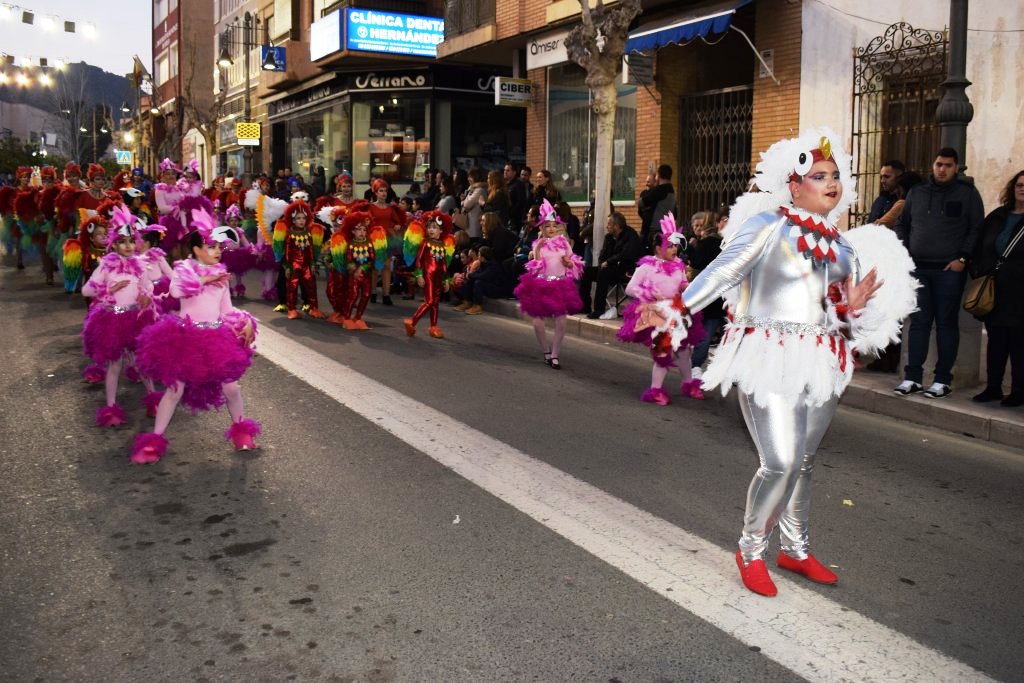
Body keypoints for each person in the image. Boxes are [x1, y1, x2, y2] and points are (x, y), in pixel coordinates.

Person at [643, 127, 916, 597]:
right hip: (768, 354)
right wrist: (679, 307)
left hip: (822, 359)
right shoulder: (768, 224)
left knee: (805, 462)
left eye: (835, 176)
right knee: (781, 461)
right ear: (794, 185)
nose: (831, 183)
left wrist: (852, 310)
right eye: (818, 175)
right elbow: (725, 268)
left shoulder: (843, 246)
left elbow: (838, 317)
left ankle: (795, 547)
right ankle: (751, 550)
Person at [132, 210, 260, 464]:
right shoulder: (183, 270)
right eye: (211, 246)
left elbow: (226, 310)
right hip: (186, 337)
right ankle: (154, 441)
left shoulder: (221, 275)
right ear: (197, 249)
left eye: (219, 247)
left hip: (215, 338)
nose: (217, 251)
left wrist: (244, 321)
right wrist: (207, 278)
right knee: (174, 389)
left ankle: (241, 432)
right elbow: (176, 290)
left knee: (231, 387)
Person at [894, 147, 985, 398]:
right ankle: (913, 377)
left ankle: (942, 380)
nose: (942, 169)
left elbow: (976, 228)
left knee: (946, 324)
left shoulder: (967, 194)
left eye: (947, 165)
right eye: (938, 164)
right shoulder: (917, 192)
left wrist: (963, 258)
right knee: (919, 324)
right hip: (919, 269)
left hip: (949, 271)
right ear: (932, 166)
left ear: (956, 168)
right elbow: (903, 224)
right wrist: (905, 253)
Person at [80, 205, 158, 427]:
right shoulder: (106, 265)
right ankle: (112, 407)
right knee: (115, 365)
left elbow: (148, 287)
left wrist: (145, 295)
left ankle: (153, 398)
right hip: (113, 321)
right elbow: (86, 290)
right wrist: (109, 291)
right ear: (113, 244)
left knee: (141, 362)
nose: (128, 246)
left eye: (131, 241)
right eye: (122, 241)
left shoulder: (140, 266)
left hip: (135, 320)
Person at [618, 215, 705, 404]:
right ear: (658, 248)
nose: (675, 249)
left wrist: (688, 287)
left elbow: (682, 284)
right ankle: (655, 390)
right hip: (655, 314)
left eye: (676, 246)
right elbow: (630, 288)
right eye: (670, 246)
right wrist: (650, 293)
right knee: (663, 350)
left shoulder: (678, 266)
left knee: (682, 351)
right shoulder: (646, 267)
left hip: (676, 312)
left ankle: (688, 383)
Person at [970, 170, 1024, 406]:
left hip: (1020, 293)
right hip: (995, 291)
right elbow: (979, 243)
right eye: (1020, 185)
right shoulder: (998, 216)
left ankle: (1019, 391)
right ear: (1013, 188)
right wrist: (978, 271)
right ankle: (993, 387)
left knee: (1019, 344)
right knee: (996, 341)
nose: (1022, 189)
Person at [513, 199, 584, 369]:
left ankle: (555, 354)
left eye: (554, 225)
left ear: (558, 227)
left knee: (561, 321)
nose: (551, 229)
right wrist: (537, 251)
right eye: (547, 226)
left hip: (560, 285)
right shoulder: (538, 244)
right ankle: (546, 351)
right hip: (542, 285)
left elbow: (573, 262)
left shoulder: (564, 243)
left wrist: (569, 263)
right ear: (541, 228)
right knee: (537, 322)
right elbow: (536, 268)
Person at [579, 212, 643, 319]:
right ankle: (585, 306)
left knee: (603, 273)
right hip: (609, 269)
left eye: (609, 224)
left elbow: (625, 254)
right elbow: (602, 254)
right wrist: (602, 263)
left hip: (625, 271)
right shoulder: (609, 237)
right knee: (587, 271)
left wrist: (608, 262)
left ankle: (599, 310)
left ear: (616, 226)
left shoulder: (630, 235)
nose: (607, 226)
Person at [403, 211, 455, 339]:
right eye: (429, 227)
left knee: (436, 302)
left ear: (441, 231)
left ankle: (433, 326)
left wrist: (446, 280)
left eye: (435, 228)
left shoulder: (442, 246)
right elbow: (419, 261)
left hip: (438, 277)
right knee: (430, 300)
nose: (431, 230)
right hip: (428, 276)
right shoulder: (425, 243)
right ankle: (412, 321)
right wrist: (419, 275)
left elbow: (443, 265)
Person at [332, 209, 387, 330]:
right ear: (353, 231)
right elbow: (349, 260)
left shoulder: (369, 244)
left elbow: (371, 260)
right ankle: (346, 318)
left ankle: (358, 318)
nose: (362, 232)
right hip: (354, 277)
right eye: (358, 229)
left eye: (364, 229)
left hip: (366, 276)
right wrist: (353, 270)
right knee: (353, 295)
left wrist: (362, 268)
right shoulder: (350, 245)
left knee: (366, 295)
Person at [273, 198, 326, 319]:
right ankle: (291, 309)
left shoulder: (308, 233)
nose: (301, 221)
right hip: (293, 266)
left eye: (303, 218)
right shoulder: (290, 234)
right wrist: (287, 266)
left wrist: (313, 264)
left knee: (311, 287)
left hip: (307, 266)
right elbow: (287, 252)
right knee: (292, 288)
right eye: (298, 218)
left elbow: (311, 250)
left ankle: (314, 308)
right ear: (292, 220)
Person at [366, 178, 406, 305]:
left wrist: (397, 226)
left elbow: (398, 221)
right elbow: (367, 222)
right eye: (380, 191)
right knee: (374, 268)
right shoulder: (370, 207)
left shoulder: (390, 208)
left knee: (387, 267)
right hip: (374, 240)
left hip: (388, 240)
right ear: (375, 193)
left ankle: (386, 295)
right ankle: (372, 292)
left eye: (385, 191)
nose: (383, 193)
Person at [456, 245, 511, 315]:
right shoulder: (483, 264)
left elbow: (483, 276)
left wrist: (470, 275)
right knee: (471, 280)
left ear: (484, 257)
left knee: (478, 282)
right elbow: (477, 273)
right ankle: (467, 302)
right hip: (489, 285)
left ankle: (478, 306)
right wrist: (470, 275)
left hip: (497, 289)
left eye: (479, 255)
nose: (478, 257)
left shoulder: (493, 265)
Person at [638, 165, 676, 250]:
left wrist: (646, 208)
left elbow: (641, 202)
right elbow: (675, 213)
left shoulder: (660, 190)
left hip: (654, 229)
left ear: (658, 175)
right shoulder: (671, 191)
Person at [462, 168, 487, 241]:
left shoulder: (479, 190)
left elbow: (467, 204)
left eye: (470, 177)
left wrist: (467, 196)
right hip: (470, 224)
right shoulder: (474, 188)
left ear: (476, 177)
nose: (468, 179)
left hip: (474, 225)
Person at [504, 163, 529, 232]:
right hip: (505, 218)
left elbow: (520, 201)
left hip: (514, 220)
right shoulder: (505, 184)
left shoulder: (518, 184)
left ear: (514, 172)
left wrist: (511, 213)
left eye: (508, 170)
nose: (505, 172)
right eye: (504, 170)